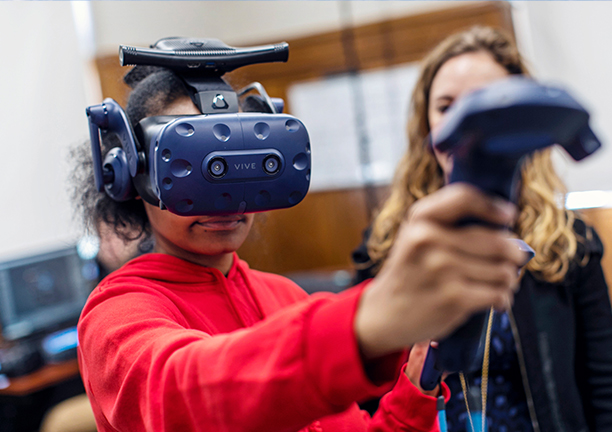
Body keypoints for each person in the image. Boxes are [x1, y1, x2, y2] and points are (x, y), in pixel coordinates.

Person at [72, 58, 527, 432]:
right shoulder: (117, 317)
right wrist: (365, 320)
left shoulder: (285, 298)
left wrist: (415, 392)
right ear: (131, 174)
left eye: (239, 165)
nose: (225, 196)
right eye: (191, 168)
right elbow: (184, 393)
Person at [353, 26, 612, 431]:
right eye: (446, 107)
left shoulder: (570, 242)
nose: (468, 124)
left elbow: (603, 384)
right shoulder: (384, 246)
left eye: (485, 104)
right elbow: (365, 395)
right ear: (426, 125)